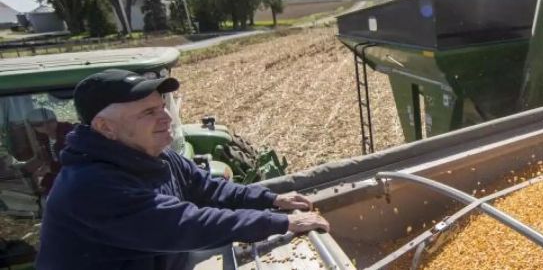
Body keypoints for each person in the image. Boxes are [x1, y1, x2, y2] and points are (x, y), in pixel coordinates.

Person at [36, 69, 329, 269]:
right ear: (106, 128)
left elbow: (207, 187)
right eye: (148, 112)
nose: (165, 117)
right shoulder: (90, 187)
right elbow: (188, 224)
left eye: (162, 106)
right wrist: (282, 223)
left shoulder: (154, 155)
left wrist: (272, 200)